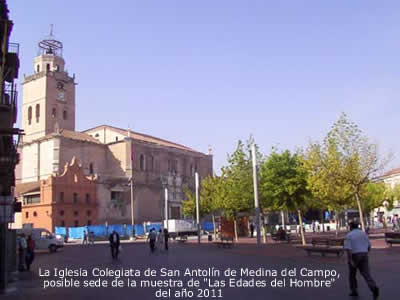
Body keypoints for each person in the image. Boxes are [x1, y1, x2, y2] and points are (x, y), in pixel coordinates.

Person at [344, 222, 379, 299]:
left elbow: (349, 250)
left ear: (351, 227)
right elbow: (369, 246)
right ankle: (373, 287)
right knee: (366, 273)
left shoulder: (349, 235)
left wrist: (350, 260)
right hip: (364, 254)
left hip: (355, 255)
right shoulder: (363, 234)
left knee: (352, 274)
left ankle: (354, 290)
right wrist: (365, 253)